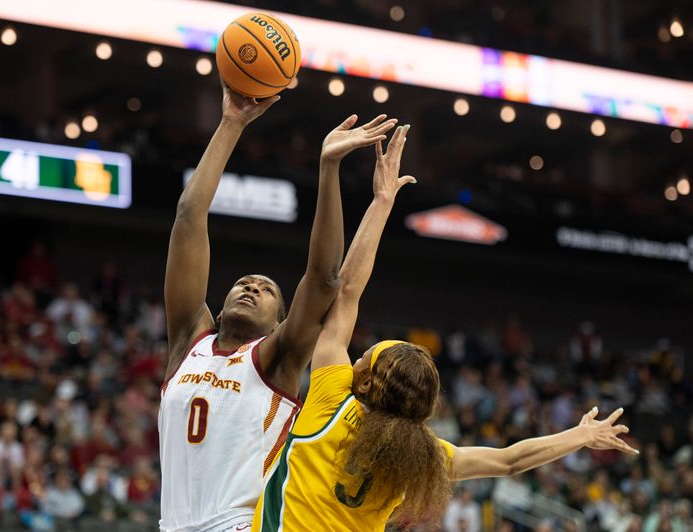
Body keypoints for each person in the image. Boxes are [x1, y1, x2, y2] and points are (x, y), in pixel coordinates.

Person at [253, 125, 639, 531]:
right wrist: (578, 436)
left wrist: (383, 201)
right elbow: (509, 461)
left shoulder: (332, 401)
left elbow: (347, 291)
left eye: (363, 357)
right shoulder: (422, 456)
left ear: (365, 381)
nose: (356, 357)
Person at [159, 83, 398, 532]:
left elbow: (326, 279)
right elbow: (189, 219)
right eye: (242, 283)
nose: (250, 286)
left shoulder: (277, 359)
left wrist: (329, 168)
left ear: (280, 322)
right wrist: (232, 123)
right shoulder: (187, 342)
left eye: (266, 289)